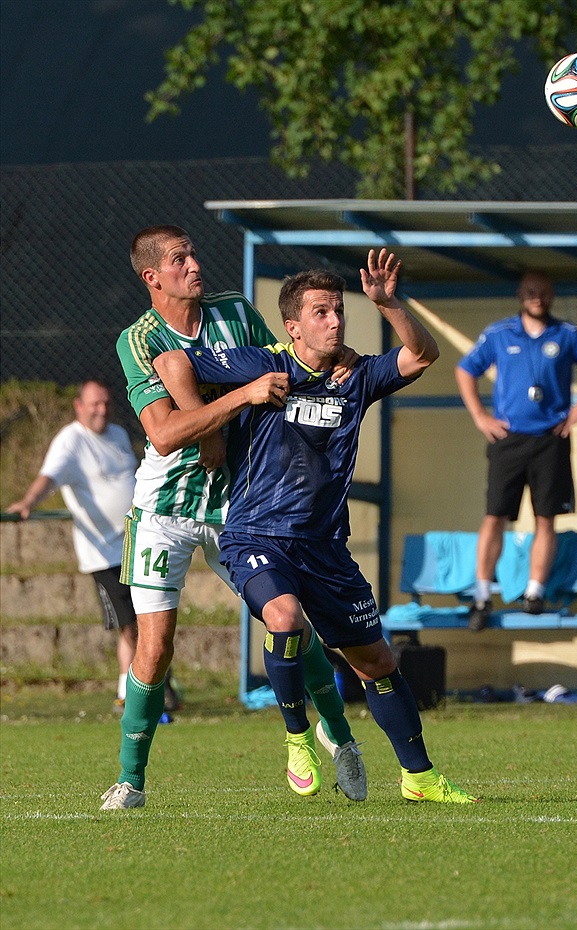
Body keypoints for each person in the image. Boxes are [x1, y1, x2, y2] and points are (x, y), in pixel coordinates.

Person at [154, 248, 479, 804]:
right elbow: (172, 364)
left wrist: (388, 302)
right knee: (284, 618)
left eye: (339, 311)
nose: (334, 320)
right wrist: (234, 405)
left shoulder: (356, 376)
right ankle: (298, 738)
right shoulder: (262, 365)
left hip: (326, 548)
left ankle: (419, 776)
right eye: (322, 312)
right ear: (292, 326)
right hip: (256, 534)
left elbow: (422, 354)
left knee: (377, 662)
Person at [100, 225, 364, 811]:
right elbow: (166, 434)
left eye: (192, 253)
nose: (195, 264)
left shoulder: (235, 313)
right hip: (164, 508)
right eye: (179, 259)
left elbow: (287, 366)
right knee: (155, 646)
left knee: (288, 620)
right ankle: (131, 780)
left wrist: (338, 356)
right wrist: (233, 402)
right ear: (153, 278)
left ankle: (340, 739)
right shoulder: (137, 339)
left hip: (237, 504)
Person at [454, 269, 577, 630]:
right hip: (508, 439)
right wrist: (481, 416)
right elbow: (465, 369)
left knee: (546, 518)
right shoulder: (498, 333)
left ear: (552, 294)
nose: (537, 297)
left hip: (550, 440)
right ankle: (481, 595)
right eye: (530, 291)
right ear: (520, 295)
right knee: (494, 516)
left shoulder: (567, 333)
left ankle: (535, 591)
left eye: (543, 291)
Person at [7, 380, 143, 712]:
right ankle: (127, 695)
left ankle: (156, 687)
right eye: (95, 403)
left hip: (137, 545)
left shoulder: (119, 435)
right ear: (79, 407)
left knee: (150, 621)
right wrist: (27, 502)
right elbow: (49, 477)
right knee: (130, 626)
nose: (102, 409)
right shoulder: (70, 441)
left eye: (107, 403)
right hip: (104, 554)